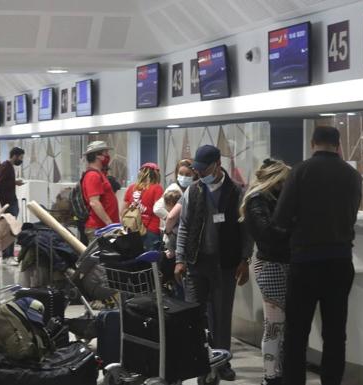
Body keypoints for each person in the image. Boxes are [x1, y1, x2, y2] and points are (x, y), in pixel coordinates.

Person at [273, 126, 362, 385]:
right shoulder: (352, 175)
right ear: (338, 144)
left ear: (313, 143)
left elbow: (280, 218)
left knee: (296, 332)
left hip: (305, 262)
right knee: (335, 334)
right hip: (340, 262)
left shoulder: (300, 171)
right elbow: (352, 215)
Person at [174, 145, 252, 381]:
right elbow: (184, 226)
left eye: (203, 169)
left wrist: (245, 259)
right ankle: (199, 360)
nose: (198, 174)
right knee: (194, 314)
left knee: (221, 315)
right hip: (196, 263)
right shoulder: (194, 191)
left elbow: (245, 230)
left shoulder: (236, 192)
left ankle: (223, 361)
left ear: (217, 165)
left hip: (225, 264)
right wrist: (179, 259)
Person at [239, 159, 291, 385]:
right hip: (271, 265)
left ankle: (275, 373)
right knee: (274, 325)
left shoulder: (266, 200)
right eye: (285, 181)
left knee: (278, 325)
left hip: (276, 263)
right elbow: (267, 234)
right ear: (275, 180)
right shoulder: (258, 200)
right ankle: (271, 376)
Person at [81, 141, 119, 243]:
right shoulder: (93, 175)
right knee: (101, 258)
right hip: (100, 228)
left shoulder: (99, 174)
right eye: (105, 153)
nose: (108, 156)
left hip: (104, 227)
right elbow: (94, 202)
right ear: (98, 156)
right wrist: (109, 224)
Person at [0, 147, 24, 263]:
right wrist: (15, 182)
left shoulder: (7, 166)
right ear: (15, 156)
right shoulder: (6, 166)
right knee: (9, 229)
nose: (21, 160)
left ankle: (8, 255)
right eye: (20, 157)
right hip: (8, 202)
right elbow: (0, 183)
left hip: (9, 201)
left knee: (11, 228)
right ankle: (7, 256)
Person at [122, 163, 164, 250]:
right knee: (151, 260)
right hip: (151, 230)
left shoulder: (131, 188)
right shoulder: (157, 188)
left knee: (135, 259)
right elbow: (159, 210)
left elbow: (122, 211)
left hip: (132, 229)